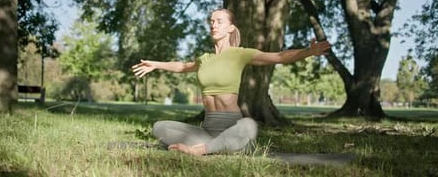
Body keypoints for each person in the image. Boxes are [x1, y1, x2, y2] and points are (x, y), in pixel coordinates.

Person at [132, 8, 331, 156]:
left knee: (249, 125)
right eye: (211, 21)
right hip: (207, 129)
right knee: (160, 126)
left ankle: (202, 150)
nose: (213, 25)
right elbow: (182, 67)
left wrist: (308, 52)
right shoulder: (205, 58)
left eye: (219, 21)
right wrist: (156, 64)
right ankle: (215, 147)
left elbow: (279, 56)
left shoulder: (240, 54)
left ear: (230, 28)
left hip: (232, 126)